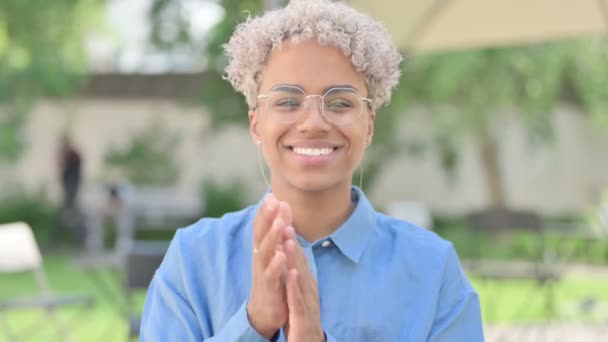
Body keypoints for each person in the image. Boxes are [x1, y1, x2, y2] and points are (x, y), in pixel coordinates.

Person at [141, 0, 484, 341]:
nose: (314, 123)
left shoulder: (432, 270)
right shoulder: (194, 259)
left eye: (340, 102)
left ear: (369, 126)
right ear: (256, 124)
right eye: (288, 101)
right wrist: (254, 323)